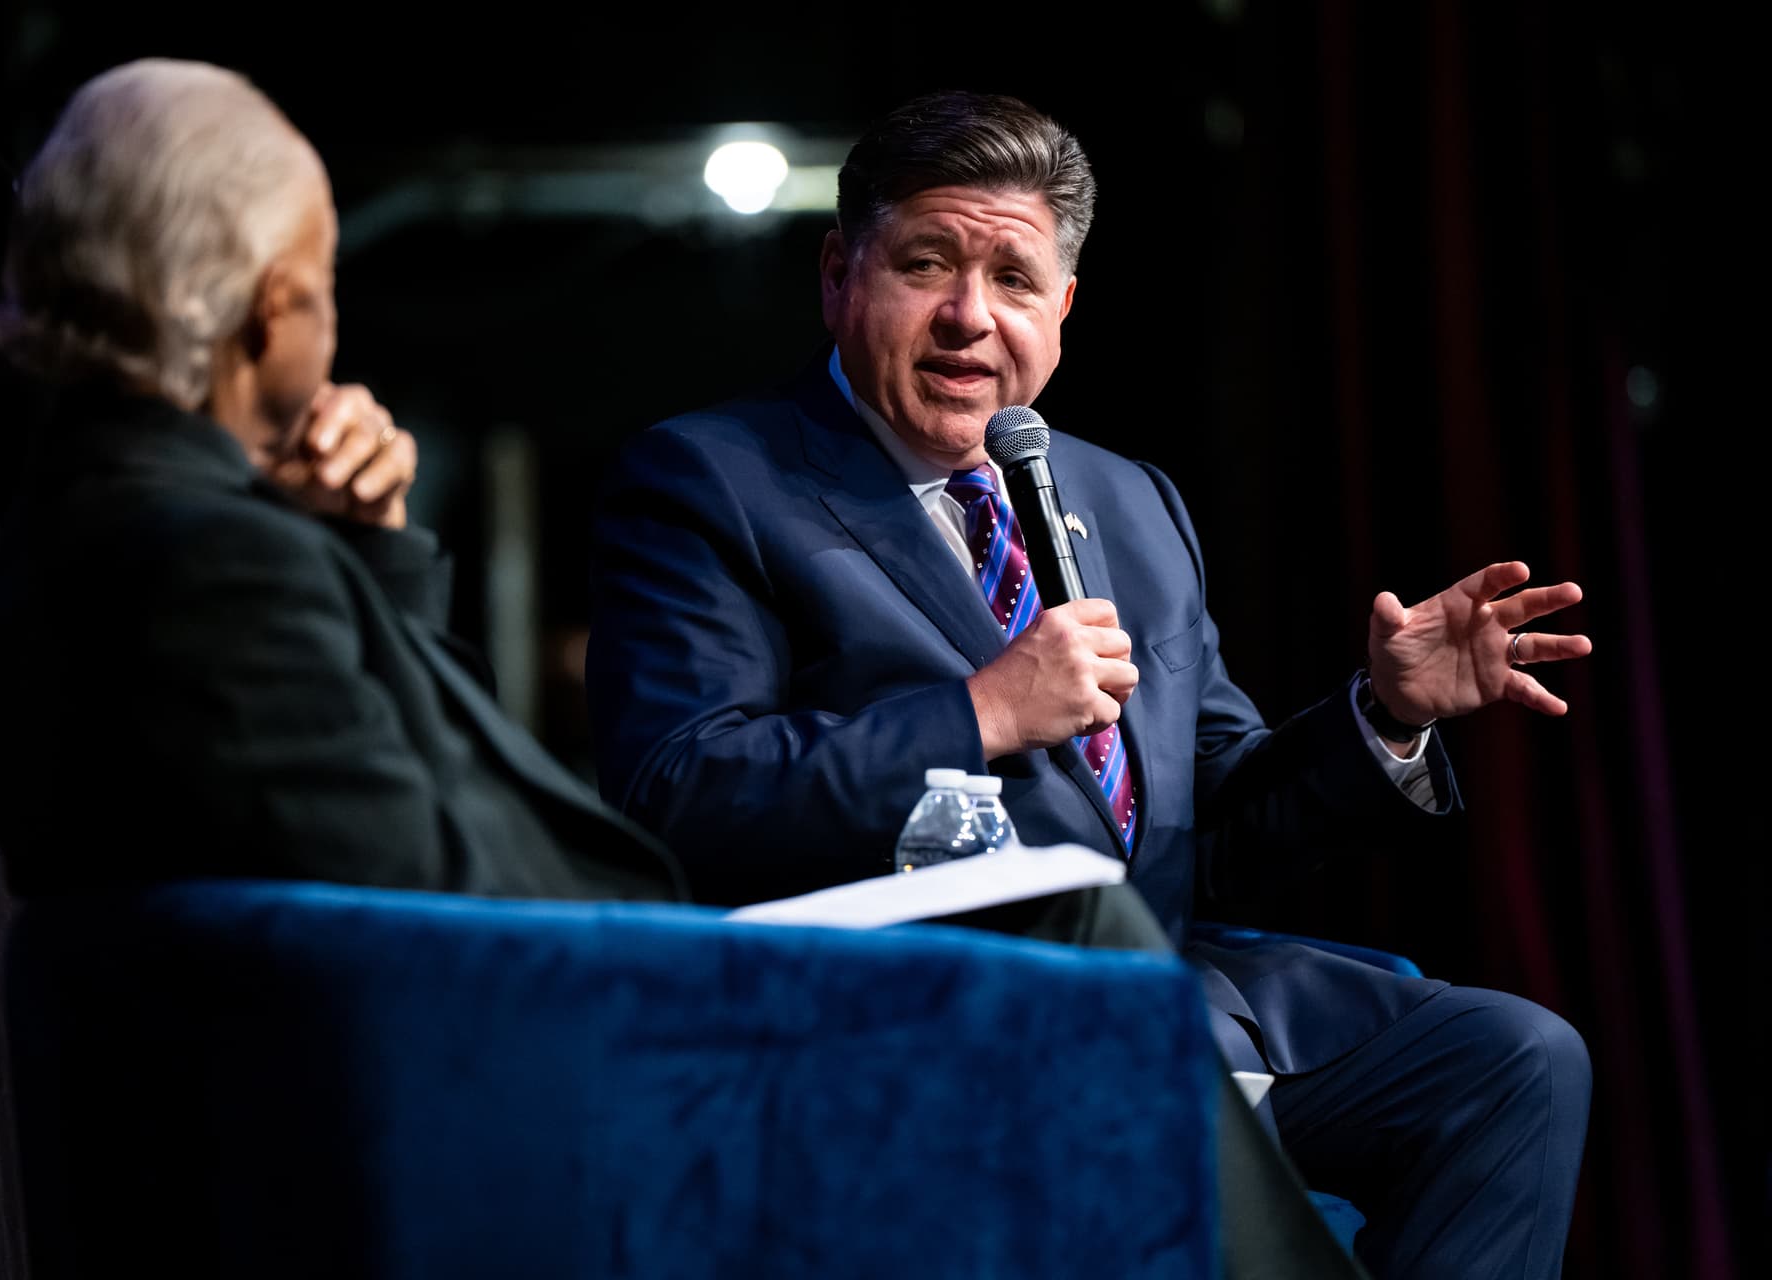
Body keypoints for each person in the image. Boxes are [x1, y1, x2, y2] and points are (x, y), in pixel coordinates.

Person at [588, 90, 1593, 1279]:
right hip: (925, 1015)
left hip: (1176, 1001)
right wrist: (982, 712)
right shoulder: (713, 480)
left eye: (1014, 280)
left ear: (1061, 308)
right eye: (926, 265)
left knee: (1517, 1058)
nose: (971, 317)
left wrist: (1384, 715)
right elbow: (677, 788)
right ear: (838, 274)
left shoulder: (1127, 500)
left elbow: (1209, 818)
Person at [0, 58, 679, 903]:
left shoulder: (77, 517)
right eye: (326, 281)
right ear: (274, 310)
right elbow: (432, 895)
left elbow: (405, 785)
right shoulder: (217, 566)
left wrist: (368, 542)